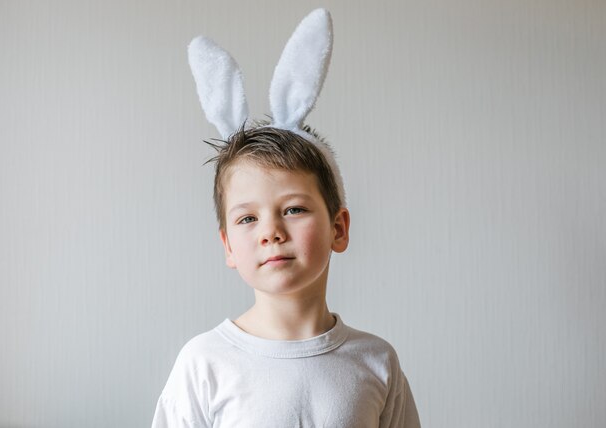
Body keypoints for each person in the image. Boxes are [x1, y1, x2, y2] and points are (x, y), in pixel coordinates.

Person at [152, 8, 420, 428]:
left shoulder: (377, 361)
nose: (272, 232)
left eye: (293, 210)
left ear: (339, 227)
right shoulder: (204, 364)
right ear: (227, 246)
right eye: (247, 219)